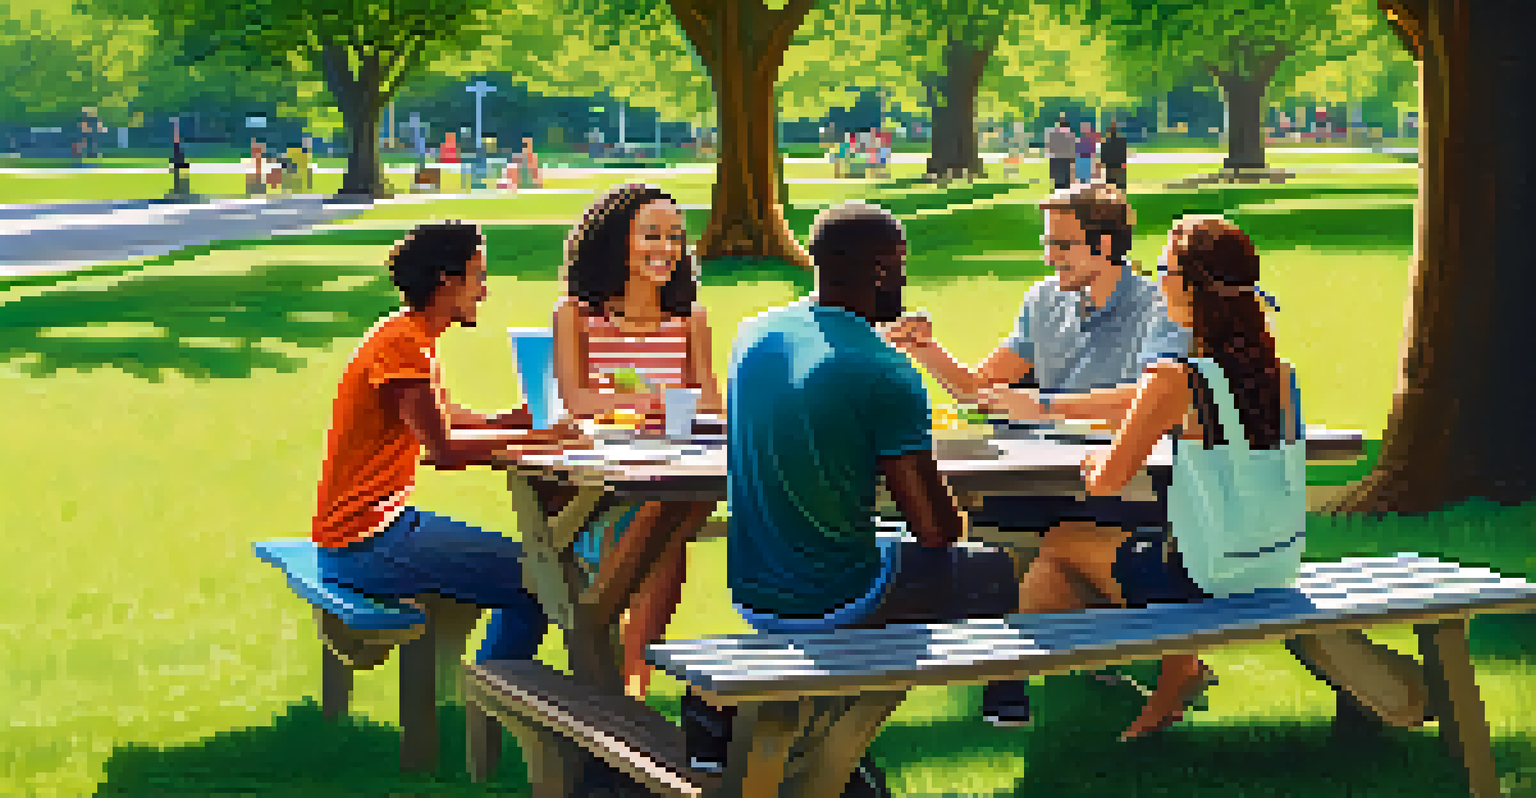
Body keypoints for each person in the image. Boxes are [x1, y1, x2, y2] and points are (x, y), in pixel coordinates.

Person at [683, 201, 1024, 795]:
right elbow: (938, 532)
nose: (904, 278)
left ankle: (799, 740)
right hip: (834, 597)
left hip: (753, 585)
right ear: (880, 268)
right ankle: (1002, 703)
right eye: (900, 265)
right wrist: (962, 510)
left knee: (878, 542)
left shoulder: (754, 333)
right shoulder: (884, 371)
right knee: (992, 570)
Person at [884, 182, 1193, 726]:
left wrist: (1046, 407)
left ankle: (1005, 683)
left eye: (1063, 245)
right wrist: (927, 349)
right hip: (1046, 479)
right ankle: (1004, 679)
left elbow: (1154, 400)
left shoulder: (1156, 307)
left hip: (1124, 482)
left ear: (1105, 245)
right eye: (1047, 244)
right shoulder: (1044, 300)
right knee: (971, 529)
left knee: (1042, 550)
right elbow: (980, 389)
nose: (1050, 257)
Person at [315, 221, 589, 668]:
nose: (483, 291)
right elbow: (442, 450)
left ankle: (488, 701)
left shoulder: (409, 336)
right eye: (478, 277)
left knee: (538, 576)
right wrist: (539, 438)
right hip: (365, 544)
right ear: (447, 280)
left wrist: (513, 421)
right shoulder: (403, 347)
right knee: (542, 580)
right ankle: (489, 706)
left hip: (375, 533)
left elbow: (449, 421)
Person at [1078, 215, 1301, 740]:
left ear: (1186, 285)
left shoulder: (1174, 378)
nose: (1155, 280)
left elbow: (1108, 480)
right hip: (1274, 560)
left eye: (1162, 268)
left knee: (1060, 547)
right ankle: (1166, 679)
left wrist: (1091, 463)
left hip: (1209, 572)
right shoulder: (1280, 371)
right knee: (1136, 548)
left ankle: (1044, 697)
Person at [554, 184, 724, 699]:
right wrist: (653, 401)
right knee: (671, 527)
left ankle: (628, 689)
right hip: (600, 485)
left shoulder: (690, 319)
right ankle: (632, 685)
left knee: (677, 511)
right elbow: (577, 402)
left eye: (675, 236)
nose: (666, 248)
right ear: (616, 242)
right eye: (651, 235)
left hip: (668, 472)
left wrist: (657, 399)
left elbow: (712, 405)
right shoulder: (577, 317)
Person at [1045, 114, 1076, 190]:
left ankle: (1058, 192)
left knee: (1057, 180)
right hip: (1065, 159)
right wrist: (1072, 158)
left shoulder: (1053, 134)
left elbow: (1050, 148)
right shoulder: (1070, 134)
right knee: (1066, 180)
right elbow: (1071, 148)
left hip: (1056, 159)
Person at [1101, 121, 1128, 190]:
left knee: (1110, 189)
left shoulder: (1105, 143)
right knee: (1121, 188)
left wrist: (1105, 164)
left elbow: (1103, 158)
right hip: (1119, 167)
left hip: (1109, 168)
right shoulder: (1122, 142)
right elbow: (1123, 155)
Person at [1075, 121, 1099, 185]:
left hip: (1087, 159)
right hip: (1081, 159)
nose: (1084, 129)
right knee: (1081, 178)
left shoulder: (1091, 139)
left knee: (1086, 179)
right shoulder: (1080, 139)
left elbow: (1093, 151)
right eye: (1083, 127)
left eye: (1086, 127)